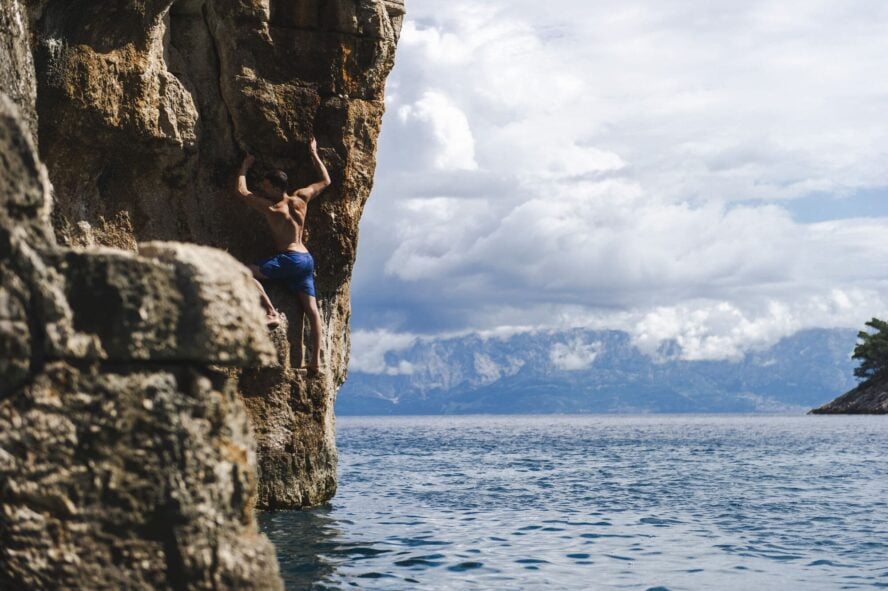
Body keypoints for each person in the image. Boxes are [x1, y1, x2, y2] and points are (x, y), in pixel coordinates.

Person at [233, 138, 331, 370]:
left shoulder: (273, 208)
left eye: (267, 187)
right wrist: (314, 154)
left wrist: (245, 166)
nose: (263, 189)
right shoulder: (302, 198)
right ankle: (315, 361)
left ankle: (270, 312)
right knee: (312, 311)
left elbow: (241, 191)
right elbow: (326, 181)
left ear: (277, 188)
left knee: (243, 272)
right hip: (306, 259)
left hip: (289, 259)